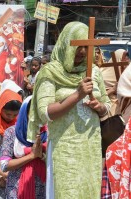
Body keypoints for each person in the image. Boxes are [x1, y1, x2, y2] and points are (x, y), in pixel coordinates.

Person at [26, 22, 111, 198]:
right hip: (64, 148)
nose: (81, 52)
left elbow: (106, 104)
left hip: (90, 148)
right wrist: (77, 95)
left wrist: (100, 108)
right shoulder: (50, 72)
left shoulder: (93, 71)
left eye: (85, 48)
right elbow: (46, 112)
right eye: (77, 46)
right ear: (66, 43)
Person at [0, 96, 47, 199]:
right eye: (33, 113)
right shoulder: (12, 132)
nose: (37, 118)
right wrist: (31, 156)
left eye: (40, 113)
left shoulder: (48, 133)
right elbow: (4, 165)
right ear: (25, 112)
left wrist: (43, 156)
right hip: (16, 189)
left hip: (43, 188)